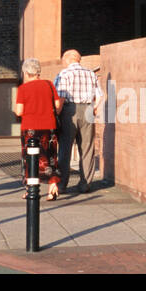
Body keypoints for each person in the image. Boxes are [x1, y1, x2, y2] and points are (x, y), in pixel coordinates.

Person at [13, 57, 61, 200]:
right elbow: (58, 107)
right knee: (50, 157)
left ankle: (30, 189)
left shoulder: (23, 89)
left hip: (30, 127)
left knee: (31, 159)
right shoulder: (49, 84)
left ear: (26, 73)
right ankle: (52, 186)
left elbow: (19, 111)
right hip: (49, 127)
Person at [54, 49, 102, 193]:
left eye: (63, 58)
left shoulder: (64, 74)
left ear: (68, 59)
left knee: (65, 148)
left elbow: (60, 97)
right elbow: (100, 96)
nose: (62, 61)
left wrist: (57, 114)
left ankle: (62, 185)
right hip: (88, 109)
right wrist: (93, 109)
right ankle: (85, 184)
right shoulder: (91, 74)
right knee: (87, 148)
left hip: (69, 111)